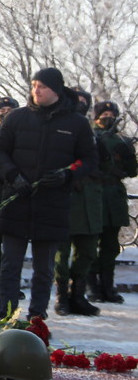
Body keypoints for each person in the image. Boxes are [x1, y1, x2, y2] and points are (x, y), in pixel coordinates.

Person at [0, 67, 97, 321]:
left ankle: (37, 317)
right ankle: (5, 315)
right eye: (34, 85)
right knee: (10, 264)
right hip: (17, 200)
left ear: (56, 90)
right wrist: (13, 176)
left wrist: (67, 175)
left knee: (44, 268)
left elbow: (89, 159)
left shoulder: (77, 123)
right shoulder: (17, 118)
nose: (36, 90)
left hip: (53, 203)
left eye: (43, 86)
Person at [53, 88, 101, 316]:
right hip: (66, 198)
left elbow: (107, 168)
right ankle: (62, 297)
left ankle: (78, 295)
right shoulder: (60, 129)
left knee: (88, 251)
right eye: (77, 102)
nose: (81, 105)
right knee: (61, 254)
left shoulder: (95, 134)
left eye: (85, 102)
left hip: (90, 201)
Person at [89, 101, 137, 304]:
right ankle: (92, 287)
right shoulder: (89, 137)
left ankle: (108, 287)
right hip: (95, 194)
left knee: (111, 246)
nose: (108, 117)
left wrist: (128, 156)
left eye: (111, 113)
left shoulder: (122, 140)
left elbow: (132, 171)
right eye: (104, 114)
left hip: (114, 197)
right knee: (90, 245)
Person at [0, 97, 25, 301]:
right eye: (2, 109)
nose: (6, 112)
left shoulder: (23, 135)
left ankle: (10, 284)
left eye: (10, 109)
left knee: (13, 246)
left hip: (16, 193)